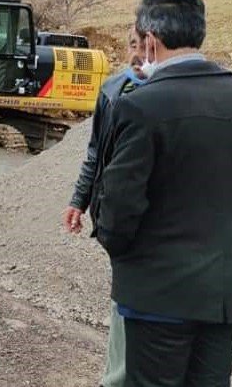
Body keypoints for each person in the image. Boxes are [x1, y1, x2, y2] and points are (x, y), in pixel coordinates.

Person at [96, 0, 232, 387]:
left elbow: (119, 207)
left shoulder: (142, 105)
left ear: (150, 41)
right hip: (229, 290)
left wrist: (121, 249)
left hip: (158, 292)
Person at [61, 24, 146, 387]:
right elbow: (95, 151)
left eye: (145, 45)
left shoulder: (168, 93)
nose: (139, 53)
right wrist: (79, 200)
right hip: (116, 213)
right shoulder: (112, 90)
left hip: (154, 215)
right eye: (133, 45)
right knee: (127, 297)